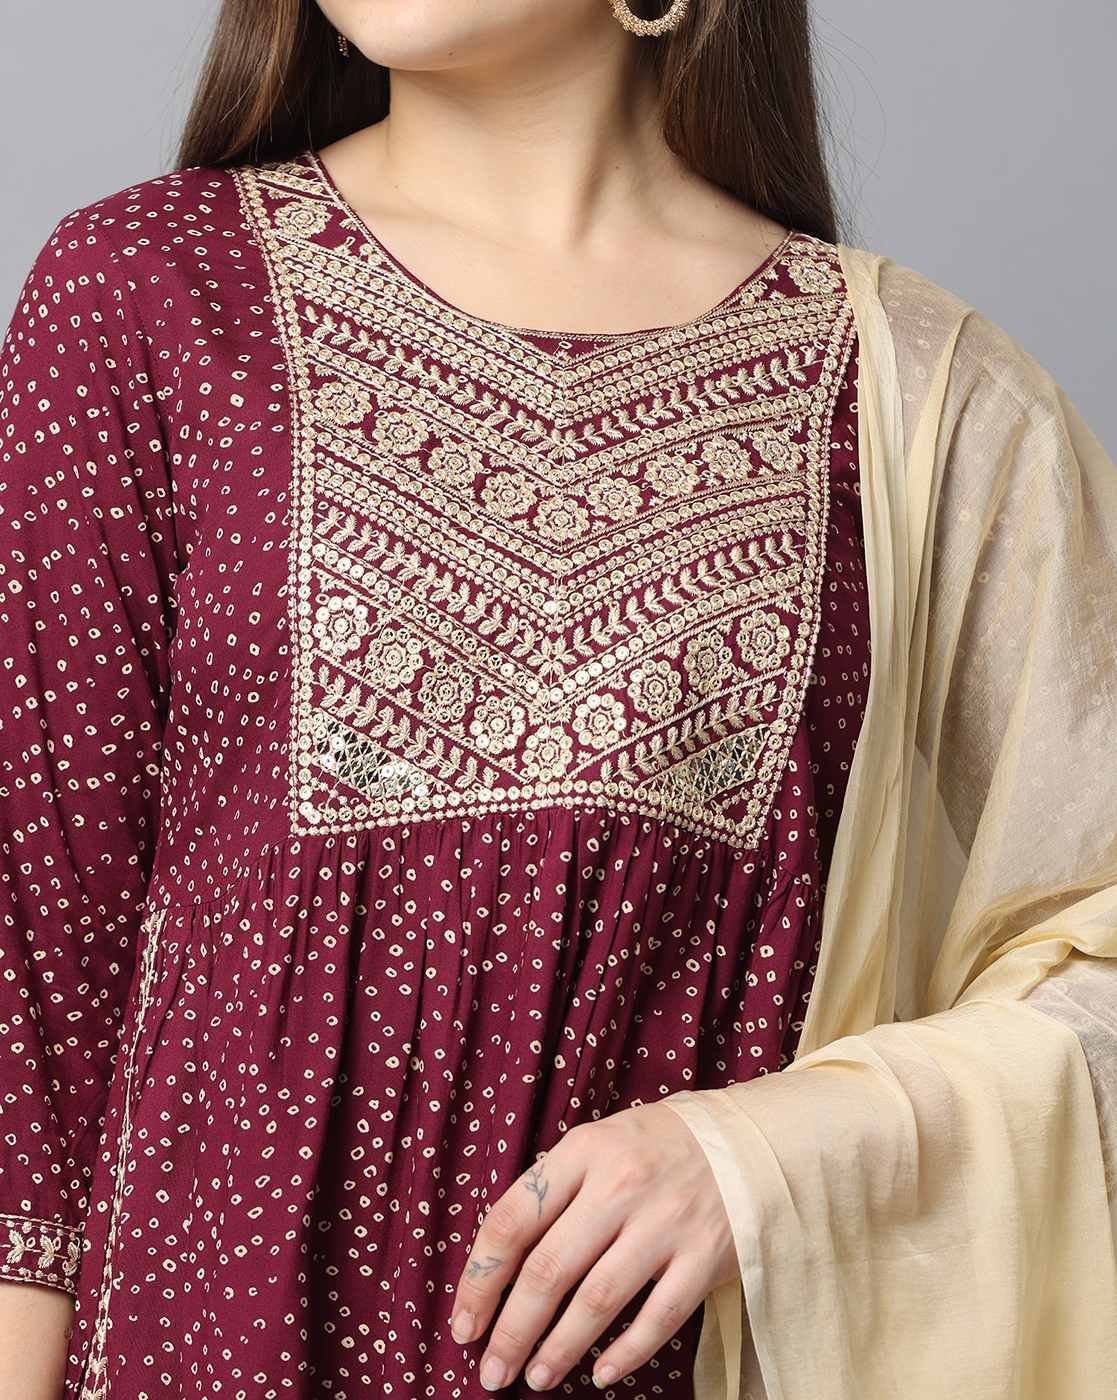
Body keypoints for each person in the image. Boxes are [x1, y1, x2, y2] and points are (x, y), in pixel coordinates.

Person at [1, 1, 1115, 1397]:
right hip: (204, 1354)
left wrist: (766, 1157)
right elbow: (32, 985)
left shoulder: (917, 400)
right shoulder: (155, 292)